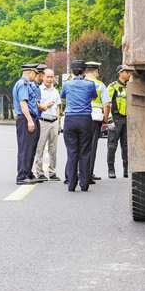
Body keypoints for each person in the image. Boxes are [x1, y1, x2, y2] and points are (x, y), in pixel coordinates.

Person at [61, 60, 98, 192]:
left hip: (70, 119)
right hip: (85, 119)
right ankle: (84, 184)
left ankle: (71, 184)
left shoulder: (67, 84)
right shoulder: (90, 84)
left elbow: (62, 96)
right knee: (85, 152)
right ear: (84, 71)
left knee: (72, 152)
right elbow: (94, 96)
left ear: (72, 71)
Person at [84, 61, 111, 184]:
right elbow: (106, 104)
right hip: (95, 119)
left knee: (81, 146)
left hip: (82, 117)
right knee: (92, 147)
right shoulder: (100, 85)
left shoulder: (79, 83)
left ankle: (80, 172)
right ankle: (88, 174)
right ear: (95, 71)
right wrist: (105, 118)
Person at [13, 63, 40, 185]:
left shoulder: (26, 84)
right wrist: (29, 120)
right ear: (30, 72)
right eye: (35, 73)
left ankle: (28, 172)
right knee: (25, 148)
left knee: (30, 148)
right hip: (25, 119)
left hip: (28, 118)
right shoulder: (23, 84)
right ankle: (22, 176)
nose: (36, 76)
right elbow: (23, 104)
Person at [33, 68, 61, 181]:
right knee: (40, 148)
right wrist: (46, 105)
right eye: (48, 77)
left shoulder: (55, 91)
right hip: (42, 121)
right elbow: (36, 105)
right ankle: (39, 172)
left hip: (54, 122)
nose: (50, 79)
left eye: (52, 77)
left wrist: (58, 123)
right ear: (43, 77)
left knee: (53, 149)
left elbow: (58, 107)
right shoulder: (38, 90)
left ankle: (52, 172)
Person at [107, 64, 132, 179]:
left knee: (126, 146)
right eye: (126, 72)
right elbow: (107, 103)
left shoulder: (131, 86)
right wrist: (109, 120)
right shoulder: (113, 87)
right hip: (116, 119)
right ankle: (111, 170)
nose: (129, 73)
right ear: (120, 73)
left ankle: (126, 170)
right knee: (112, 145)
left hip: (127, 119)